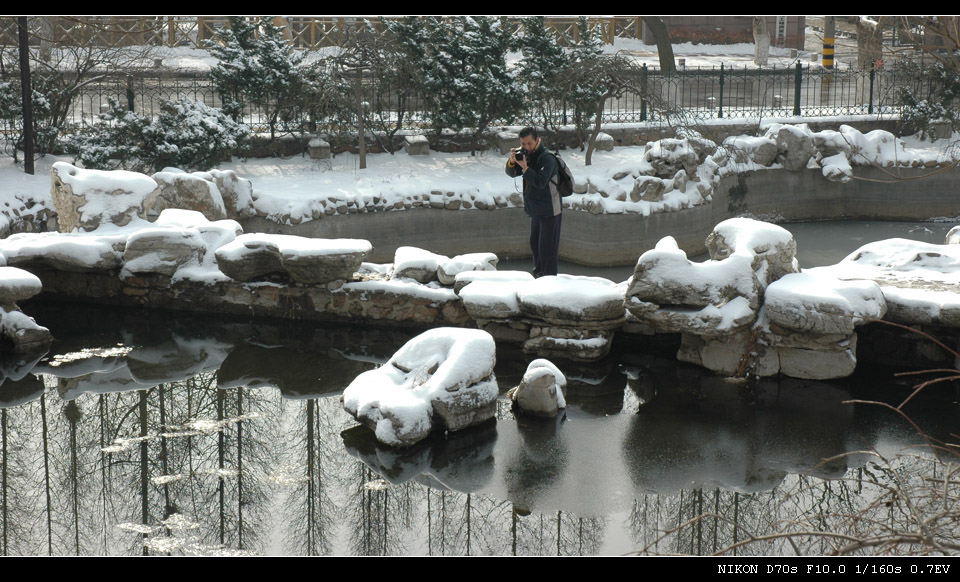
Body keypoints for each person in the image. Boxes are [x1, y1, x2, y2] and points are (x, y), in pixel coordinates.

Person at [505, 127, 561, 278]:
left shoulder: (547, 158)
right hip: (535, 209)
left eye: (529, 143)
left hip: (550, 210)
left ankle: (549, 279)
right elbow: (511, 173)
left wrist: (525, 167)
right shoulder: (525, 155)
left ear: (537, 140)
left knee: (547, 248)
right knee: (535, 245)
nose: (526, 147)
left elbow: (540, 181)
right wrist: (512, 162)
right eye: (523, 144)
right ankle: (538, 276)